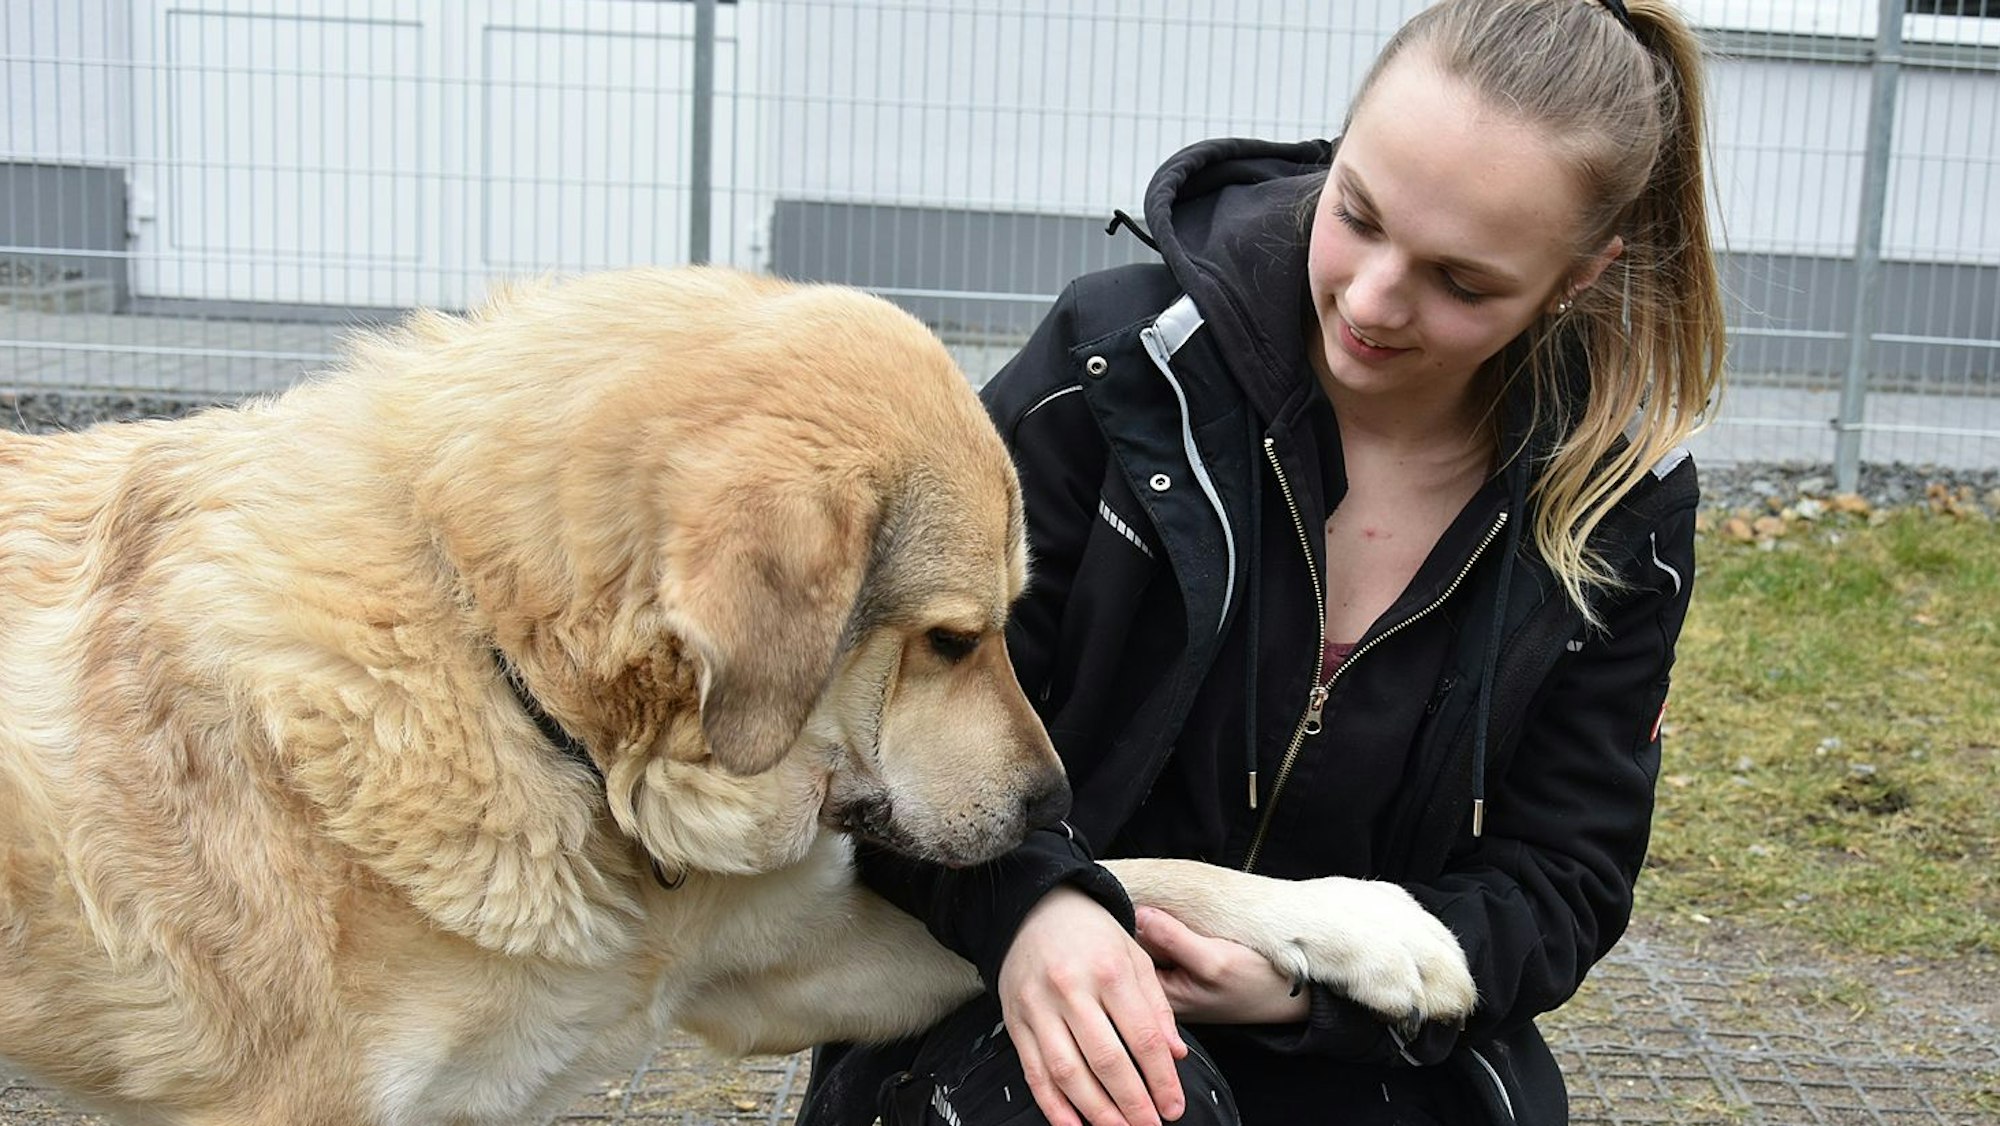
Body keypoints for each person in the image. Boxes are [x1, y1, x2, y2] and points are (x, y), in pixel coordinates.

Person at [799, 0, 1725, 1122]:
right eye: (1357, 214)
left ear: (1578, 277)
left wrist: (1297, 990)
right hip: (1010, 988)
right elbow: (880, 722)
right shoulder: (1113, 368)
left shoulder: (1617, 504)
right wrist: (1035, 913)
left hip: (1365, 1047)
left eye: (1460, 282)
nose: (1373, 300)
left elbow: (1559, 884)